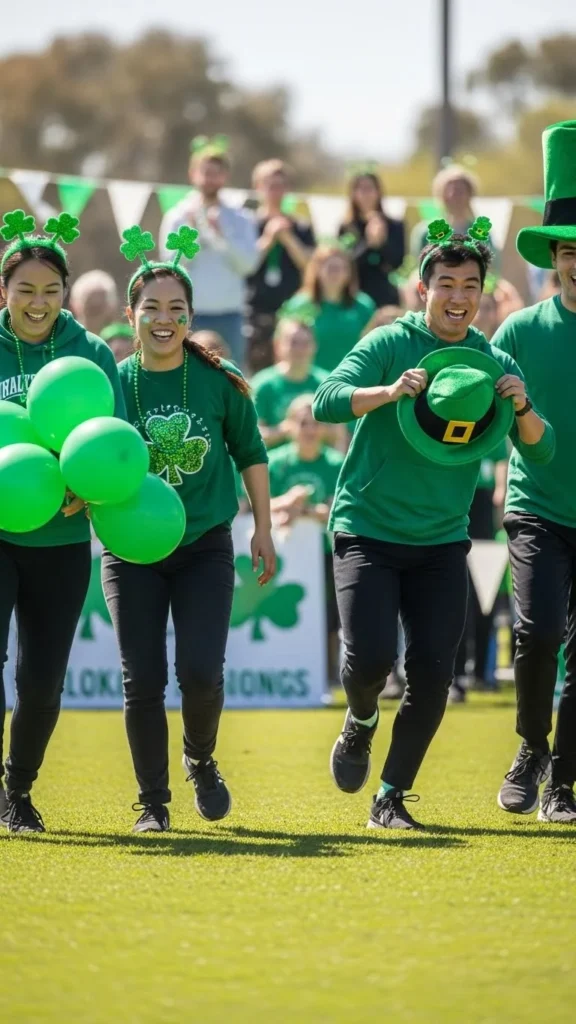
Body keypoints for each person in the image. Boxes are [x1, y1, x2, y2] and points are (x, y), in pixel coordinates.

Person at [313, 216, 554, 830]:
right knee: (368, 661)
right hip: (367, 527)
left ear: (481, 292)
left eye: (470, 285)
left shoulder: (493, 360)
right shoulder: (391, 342)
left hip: (443, 541)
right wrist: (388, 392)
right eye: (446, 283)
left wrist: (522, 404)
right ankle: (361, 717)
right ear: (423, 289)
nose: (458, 297)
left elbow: (542, 449)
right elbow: (326, 399)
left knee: (433, 675)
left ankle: (391, 798)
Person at [104, 223, 275, 833]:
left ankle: (200, 758)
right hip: (129, 551)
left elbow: (252, 453)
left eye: (177, 308)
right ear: (131, 314)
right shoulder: (112, 384)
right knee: (142, 679)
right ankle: (153, 803)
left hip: (205, 545)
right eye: (151, 307)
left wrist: (263, 529)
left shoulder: (219, 382)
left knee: (201, 672)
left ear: (190, 316)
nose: (164, 318)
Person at [0, 210, 125, 833]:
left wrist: (91, 488)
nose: (38, 303)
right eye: (25, 290)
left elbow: (118, 442)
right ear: (5, 290)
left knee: (42, 681)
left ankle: (17, 791)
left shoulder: (92, 351)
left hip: (63, 539)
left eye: (50, 291)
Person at [492, 120, 576, 824]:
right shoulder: (517, 332)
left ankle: (564, 784)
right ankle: (531, 746)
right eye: (570, 251)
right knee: (538, 631)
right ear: (553, 256)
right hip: (538, 508)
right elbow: (481, 417)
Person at [159, 136, 259, 368]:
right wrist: (193, 234)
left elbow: (249, 264)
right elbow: (170, 265)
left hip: (231, 315)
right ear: (193, 174)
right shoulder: (178, 216)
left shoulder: (240, 217)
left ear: (225, 176)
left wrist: (223, 236)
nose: (209, 179)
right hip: (190, 313)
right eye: (205, 172)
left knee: (232, 378)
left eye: (216, 172)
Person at [268, 395, 344, 685]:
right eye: (302, 423)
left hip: (327, 553)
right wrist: (287, 502)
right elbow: (253, 503)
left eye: (314, 423)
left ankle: (329, 676)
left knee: (330, 616)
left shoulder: (337, 463)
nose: (309, 430)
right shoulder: (274, 463)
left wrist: (310, 511)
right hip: (284, 554)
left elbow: (342, 507)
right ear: (289, 426)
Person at [451, 442, 509, 702]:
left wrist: (501, 487)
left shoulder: (493, 427)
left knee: (485, 599)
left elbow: (500, 460)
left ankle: (483, 673)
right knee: (457, 598)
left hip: (483, 509)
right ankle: (456, 674)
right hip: (457, 500)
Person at [245, 159, 315, 374]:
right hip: (256, 313)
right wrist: (268, 239)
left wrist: (288, 239)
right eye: (270, 185)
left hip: (292, 314)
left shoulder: (301, 226)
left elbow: (311, 265)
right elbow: (245, 264)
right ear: (258, 187)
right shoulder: (247, 224)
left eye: (281, 186)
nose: (276, 192)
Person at [281, 244, 375, 372]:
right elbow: (282, 347)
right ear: (317, 269)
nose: (336, 273)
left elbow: (374, 348)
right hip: (311, 383)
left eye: (342, 268)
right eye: (331, 268)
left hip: (353, 381)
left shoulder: (363, 306)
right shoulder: (299, 305)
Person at [252, 318, 328, 449]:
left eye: (305, 343)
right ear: (278, 345)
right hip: (274, 466)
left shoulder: (326, 384)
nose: (300, 349)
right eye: (293, 343)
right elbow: (251, 436)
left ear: (315, 346)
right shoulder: (263, 385)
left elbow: (341, 434)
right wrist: (284, 430)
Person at [338, 170, 405, 307]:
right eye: (360, 189)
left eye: (369, 188)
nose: (365, 194)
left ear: (379, 192)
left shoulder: (394, 225)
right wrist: (369, 244)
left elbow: (397, 262)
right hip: (355, 297)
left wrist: (382, 242)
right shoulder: (346, 227)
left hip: (386, 295)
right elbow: (347, 265)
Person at [410, 166, 498, 269]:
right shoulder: (425, 231)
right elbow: (417, 267)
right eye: (449, 190)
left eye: (459, 191)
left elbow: (491, 268)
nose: (453, 195)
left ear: (469, 194)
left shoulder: (480, 233)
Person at [69, 269, 119, 336]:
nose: (95, 301)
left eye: (99, 307)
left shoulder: (126, 343)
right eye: (91, 309)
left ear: (113, 305)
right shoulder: (64, 342)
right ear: (74, 306)